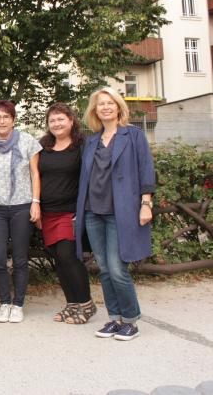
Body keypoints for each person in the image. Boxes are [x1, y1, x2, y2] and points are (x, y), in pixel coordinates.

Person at [75, 87, 155, 341]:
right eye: (101, 104)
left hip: (120, 212)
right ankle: (114, 318)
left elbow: (146, 170)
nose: (106, 107)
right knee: (104, 269)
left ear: (119, 106)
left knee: (118, 268)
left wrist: (146, 203)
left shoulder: (133, 135)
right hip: (92, 211)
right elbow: (86, 178)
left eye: (110, 103)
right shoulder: (91, 141)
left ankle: (130, 319)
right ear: (95, 111)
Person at [0, 100, 41, 324]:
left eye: (6, 116)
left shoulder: (28, 142)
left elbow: (35, 173)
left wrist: (36, 202)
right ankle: (4, 302)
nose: (2, 120)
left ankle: (18, 304)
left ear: (13, 119)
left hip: (21, 205)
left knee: (20, 258)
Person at [38, 103, 96, 324]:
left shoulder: (83, 146)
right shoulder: (44, 146)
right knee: (58, 260)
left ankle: (86, 304)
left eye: (61, 119)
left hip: (69, 213)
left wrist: (81, 211)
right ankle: (72, 304)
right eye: (52, 120)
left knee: (68, 256)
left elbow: (90, 179)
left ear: (71, 120)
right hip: (47, 213)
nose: (56, 124)